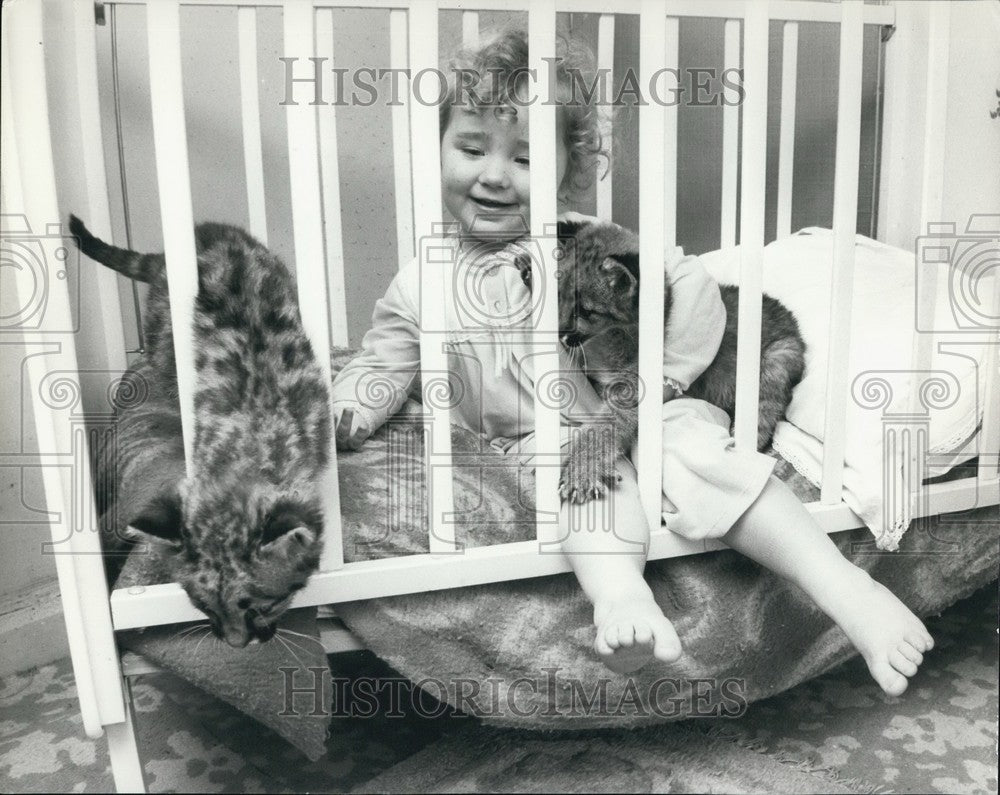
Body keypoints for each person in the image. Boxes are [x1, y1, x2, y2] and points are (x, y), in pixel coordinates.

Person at [331, 28, 932, 695]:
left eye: (525, 157)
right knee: (583, 492)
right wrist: (350, 410)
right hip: (542, 436)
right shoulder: (421, 281)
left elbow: (689, 288)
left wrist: (664, 380)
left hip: (637, 406)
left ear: (567, 170)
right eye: (472, 148)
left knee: (699, 452)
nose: (495, 174)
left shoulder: (583, 242)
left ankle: (843, 585)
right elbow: (382, 359)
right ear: (441, 147)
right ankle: (622, 595)